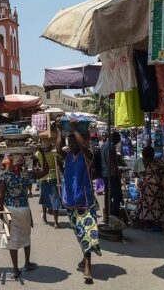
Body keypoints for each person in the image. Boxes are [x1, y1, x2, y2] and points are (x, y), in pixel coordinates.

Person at [57, 120, 100, 284]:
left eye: (75, 141)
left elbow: (85, 147)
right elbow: (57, 148)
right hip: (70, 201)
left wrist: (74, 130)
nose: (72, 144)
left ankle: (88, 266)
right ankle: (85, 257)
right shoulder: (67, 156)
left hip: (85, 201)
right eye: (70, 141)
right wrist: (61, 131)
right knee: (79, 233)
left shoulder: (88, 155)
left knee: (87, 232)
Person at [0, 151, 49, 280]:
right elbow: (45, 171)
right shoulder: (27, 174)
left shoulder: (5, 176)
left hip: (11, 209)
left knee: (12, 239)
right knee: (26, 236)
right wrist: (42, 154)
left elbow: (1, 195)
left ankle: (15, 270)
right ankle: (27, 262)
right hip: (24, 209)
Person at [135, 146, 164, 230]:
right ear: (153, 154)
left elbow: (136, 175)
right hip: (156, 186)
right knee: (158, 204)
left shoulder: (140, 162)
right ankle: (158, 222)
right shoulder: (159, 162)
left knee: (145, 205)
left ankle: (147, 223)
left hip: (145, 186)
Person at [35, 140, 62, 228]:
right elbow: (58, 164)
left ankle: (45, 217)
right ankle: (56, 222)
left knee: (44, 198)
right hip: (53, 177)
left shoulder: (38, 154)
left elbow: (37, 163)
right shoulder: (54, 154)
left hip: (43, 178)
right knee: (55, 199)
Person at [100, 131, 123, 223]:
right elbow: (112, 160)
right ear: (116, 138)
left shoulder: (104, 145)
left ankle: (107, 213)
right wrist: (117, 170)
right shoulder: (111, 146)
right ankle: (114, 214)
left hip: (105, 173)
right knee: (117, 195)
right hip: (111, 174)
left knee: (108, 194)